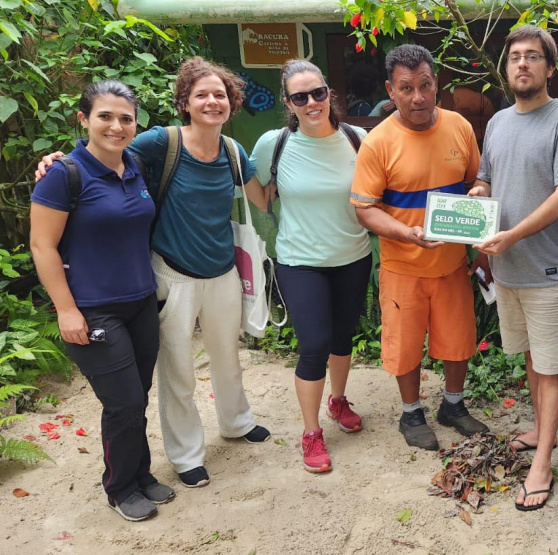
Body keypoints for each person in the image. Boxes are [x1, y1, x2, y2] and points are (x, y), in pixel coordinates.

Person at [36, 57, 272, 488]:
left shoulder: (234, 152)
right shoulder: (161, 143)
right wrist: (55, 160)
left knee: (228, 358)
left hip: (222, 272)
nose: (212, 101)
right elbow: (104, 150)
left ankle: (237, 422)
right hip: (172, 274)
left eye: (220, 94)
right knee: (178, 369)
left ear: (231, 102)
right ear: (185, 101)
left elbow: (264, 200)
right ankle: (186, 456)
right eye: (201, 94)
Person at [30, 80, 173, 521]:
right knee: (123, 402)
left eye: (125, 118)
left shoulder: (134, 165)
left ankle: (141, 473)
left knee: (139, 395)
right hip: (93, 309)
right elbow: (42, 245)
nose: (116, 126)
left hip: (140, 301)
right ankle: (120, 487)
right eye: (105, 116)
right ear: (84, 120)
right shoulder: (63, 174)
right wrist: (66, 309)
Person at [468, 25, 558, 512]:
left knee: (552, 364)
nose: (522, 64)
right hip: (508, 269)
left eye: (533, 57)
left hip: (548, 269)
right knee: (530, 358)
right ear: (506, 67)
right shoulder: (497, 122)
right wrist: (478, 196)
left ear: (549, 68)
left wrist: (512, 235)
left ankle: (542, 463)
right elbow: (485, 177)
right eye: (515, 57)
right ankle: (543, 431)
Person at [350, 44, 489, 451]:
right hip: (403, 265)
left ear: (436, 84)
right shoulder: (378, 142)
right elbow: (364, 209)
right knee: (405, 345)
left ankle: (453, 405)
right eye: (406, 88)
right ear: (391, 91)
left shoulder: (459, 128)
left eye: (425, 85)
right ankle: (410, 413)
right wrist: (405, 232)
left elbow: (474, 182)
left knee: (458, 339)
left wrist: (480, 192)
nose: (418, 97)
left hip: (450, 263)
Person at [243, 59, 371, 473]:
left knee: (342, 336)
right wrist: (231, 163)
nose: (312, 102)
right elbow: (262, 197)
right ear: (288, 102)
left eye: (318, 93)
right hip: (300, 260)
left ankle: (338, 400)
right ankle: (311, 432)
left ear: (329, 93)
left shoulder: (358, 139)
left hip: (353, 254)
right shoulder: (273, 144)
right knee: (314, 344)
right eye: (301, 97)